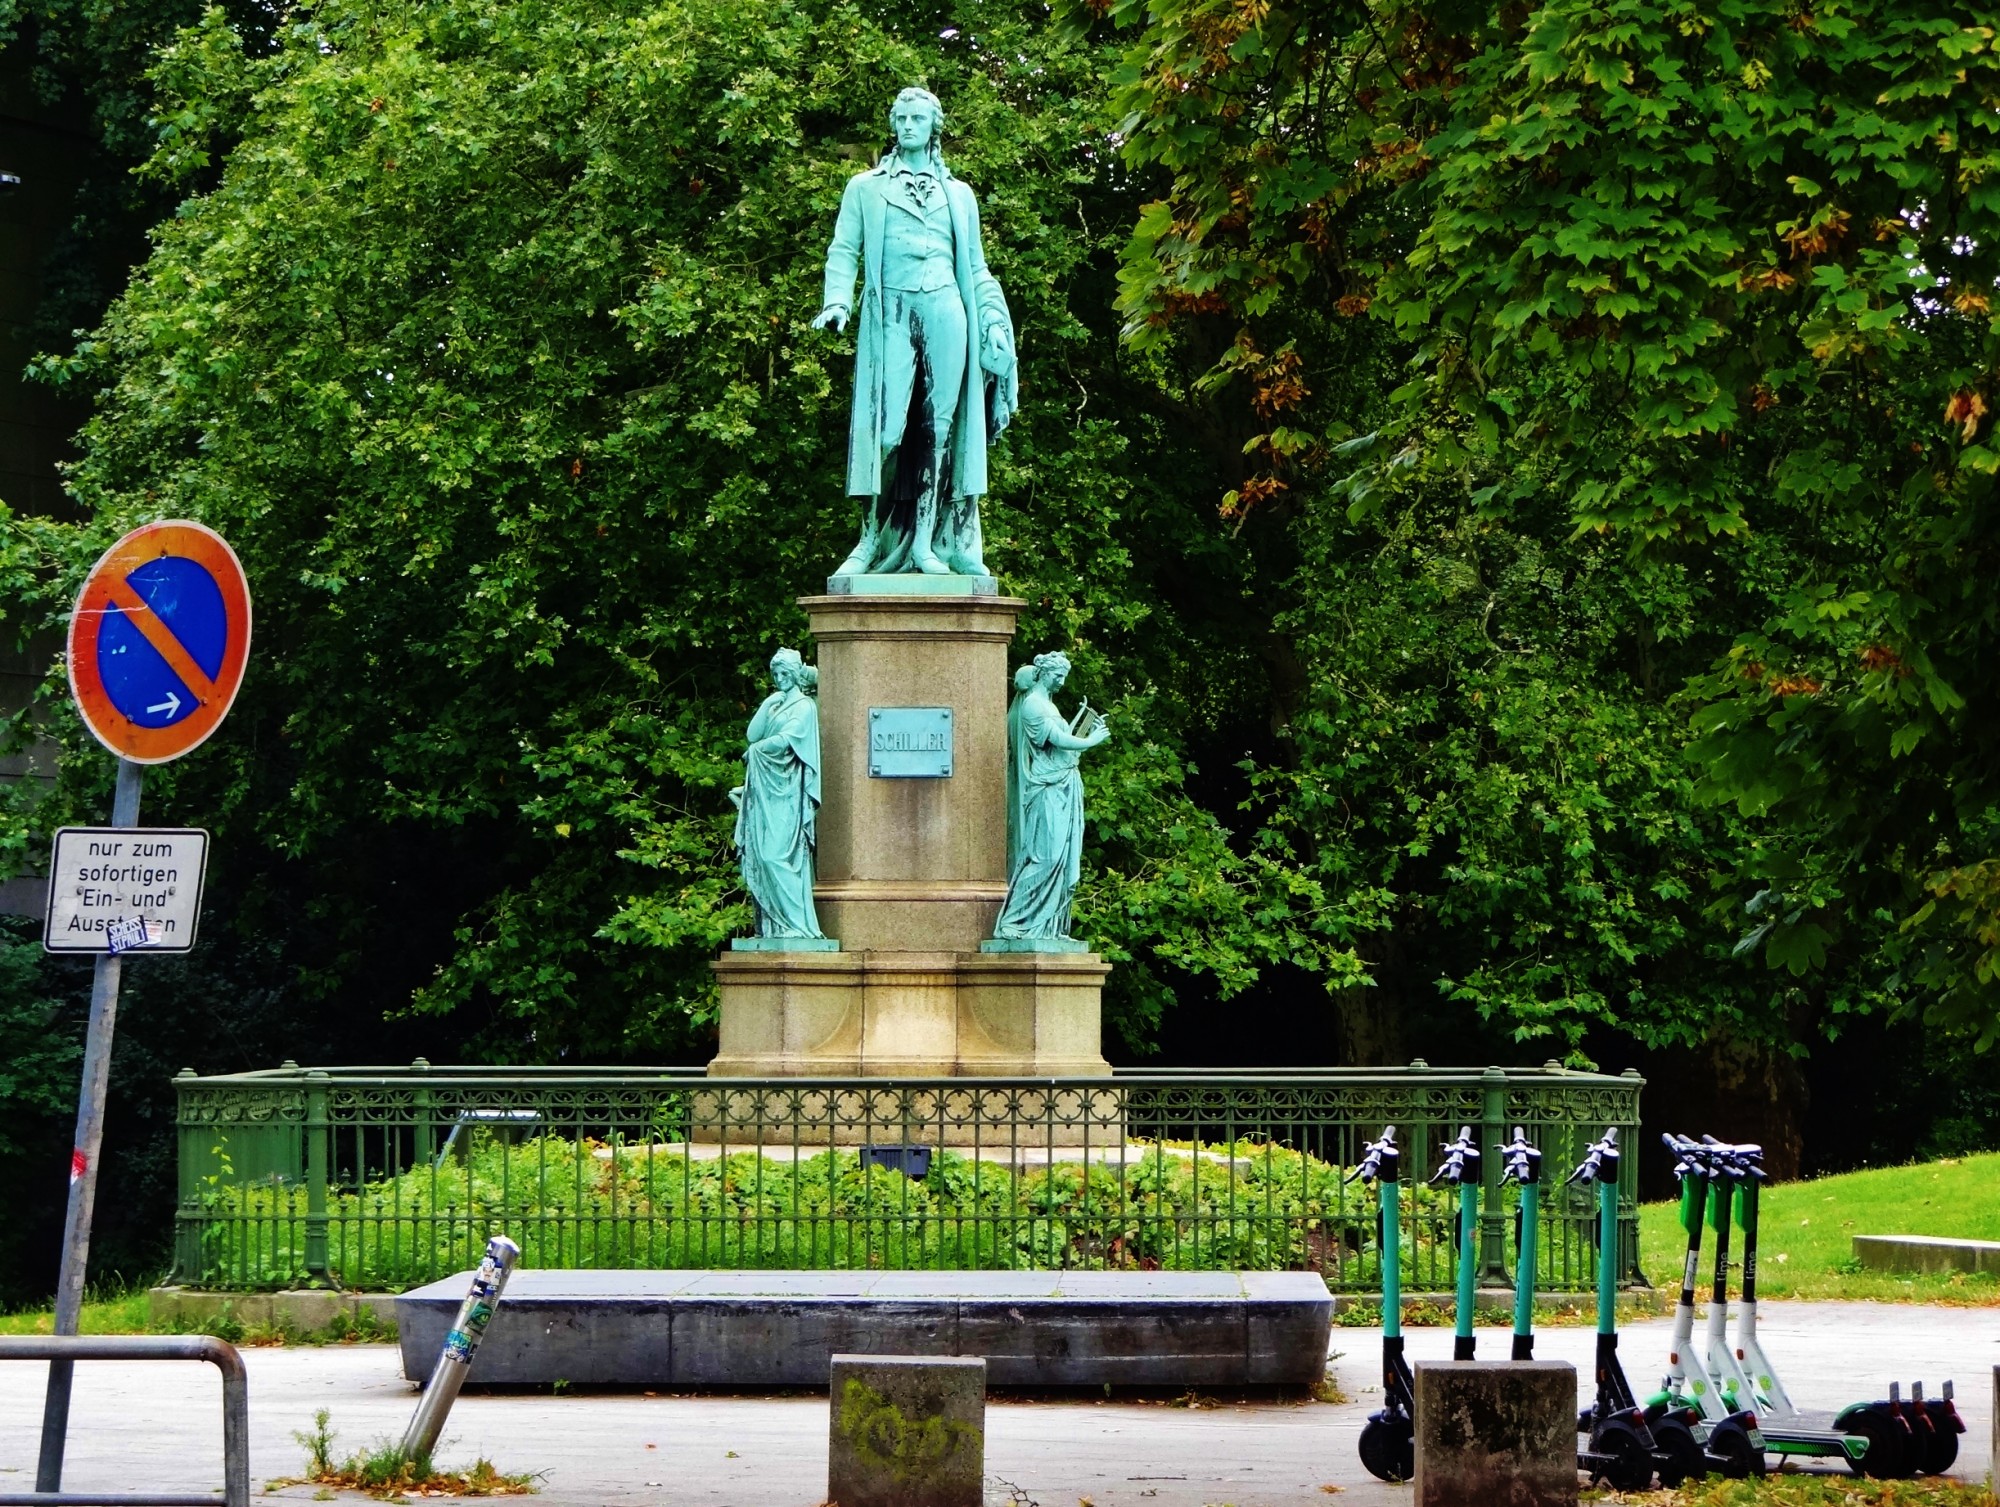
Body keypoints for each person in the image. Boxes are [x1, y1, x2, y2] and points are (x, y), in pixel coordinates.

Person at [812, 87, 1018, 577]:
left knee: (937, 432)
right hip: (892, 314)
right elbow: (844, 250)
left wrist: (992, 323)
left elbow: (977, 267)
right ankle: (870, 540)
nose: (908, 126)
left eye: (917, 118)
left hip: (948, 310)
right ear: (893, 124)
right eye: (901, 117)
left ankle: (926, 542)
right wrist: (837, 300)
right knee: (883, 433)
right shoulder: (865, 187)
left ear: (933, 127)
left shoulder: (959, 194)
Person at [992, 652, 1111, 941]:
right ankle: (1016, 922)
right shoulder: (1033, 705)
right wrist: (1089, 741)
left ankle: (1048, 927)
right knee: (1046, 856)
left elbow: (1059, 743)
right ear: (1043, 673)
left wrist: (1084, 728)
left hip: (1062, 785)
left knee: (1063, 857)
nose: (1061, 681)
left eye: (1064, 676)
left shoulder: (1048, 704)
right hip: (1046, 789)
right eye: (1057, 675)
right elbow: (1056, 740)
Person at [731, 649, 826, 939]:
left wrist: (758, 750)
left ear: (797, 674)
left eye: (785, 673)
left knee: (775, 857)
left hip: (787, 790)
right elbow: (752, 734)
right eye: (776, 674)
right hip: (767, 790)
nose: (780, 679)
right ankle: (776, 926)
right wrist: (767, 704)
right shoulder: (778, 703)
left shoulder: (804, 706)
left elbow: (789, 739)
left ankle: (797, 925)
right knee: (762, 855)